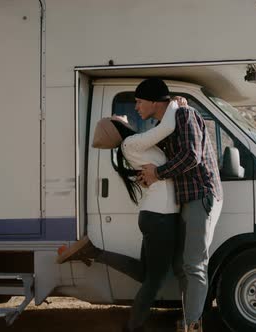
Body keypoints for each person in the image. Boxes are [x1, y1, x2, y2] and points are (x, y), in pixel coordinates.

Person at [57, 94, 184, 332]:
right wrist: (176, 103)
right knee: (154, 280)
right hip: (160, 217)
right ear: (117, 128)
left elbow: (162, 132)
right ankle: (133, 326)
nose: (126, 115)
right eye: (118, 118)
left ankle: (93, 251)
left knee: (144, 273)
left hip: (154, 215)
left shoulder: (135, 144)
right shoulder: (132, 144)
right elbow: (168, 125)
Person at [138, 78, 223, 332]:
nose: (136, 107)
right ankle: (190, 319)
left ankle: (193, 326)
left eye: (139, 101)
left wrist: (158, 173)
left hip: (201, 194)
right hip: (187, 199)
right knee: (182, 265)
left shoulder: (185, 115)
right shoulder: (167, 122)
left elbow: (191, 156)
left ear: (154, 101)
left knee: (194, 265)